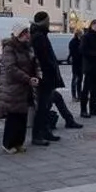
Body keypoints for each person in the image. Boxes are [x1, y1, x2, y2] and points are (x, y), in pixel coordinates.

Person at [0, 23, 40, 153]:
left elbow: (33, 63)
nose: (28, 35)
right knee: (13, 117)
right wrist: (27, 78)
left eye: (28, 33)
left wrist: (37, 74)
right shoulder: (9, 48)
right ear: (19, 35)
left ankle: (18, 143)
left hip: (24, 87)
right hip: (13, 87)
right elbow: (11, 68)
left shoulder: (27, 47)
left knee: (22, 116)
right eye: (25, 33)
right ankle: (8, 144)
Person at [29, 11, 64, 144]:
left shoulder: (40, 34)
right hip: (44, 76)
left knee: (46, 105)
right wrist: (50, 68)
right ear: (44, 21)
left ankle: (45, 131)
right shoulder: (38, 36)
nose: (49, 22)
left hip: (46, 75)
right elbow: (42, 58)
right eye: (48, 20)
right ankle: (37, 135)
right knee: (42, 107)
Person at [68, 29, 84, 102]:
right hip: (76, 63)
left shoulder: (81, 41)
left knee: (80, 80)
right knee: (75, 79)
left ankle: (80, 95)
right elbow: (73, 53)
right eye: (80, 34)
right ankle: (74, 96)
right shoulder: (73, 42)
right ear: (77, 34)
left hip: (81, 63)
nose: (81, 36)